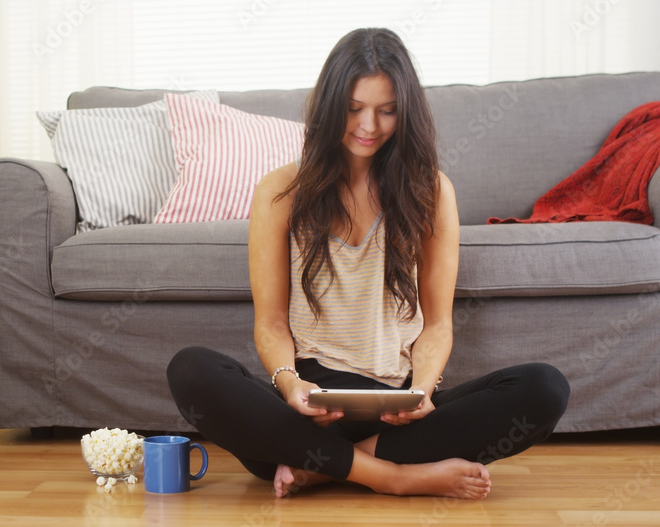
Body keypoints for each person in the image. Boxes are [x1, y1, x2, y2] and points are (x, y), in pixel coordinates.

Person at [166, 27, 570, 499]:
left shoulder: (432, 191)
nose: (369, 125)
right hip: (310, 412)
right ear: (330, 105)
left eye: (387, 110)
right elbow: (271, 323)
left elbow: (438, 324)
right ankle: (392, 476)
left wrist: (422, 392)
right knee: (191, 370)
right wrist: (290, 385)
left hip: (396, 411)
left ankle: (324, 467)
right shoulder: (280, 191)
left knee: (545, 388)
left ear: (406, 111)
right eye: (354, 108)